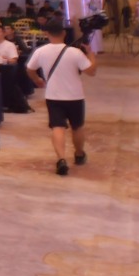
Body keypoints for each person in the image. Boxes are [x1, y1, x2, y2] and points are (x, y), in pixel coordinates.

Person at [26, 21, 97, 176]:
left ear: (46, 34)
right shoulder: (75, 52)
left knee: (57, 127)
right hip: (75, 96)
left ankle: (61, 159)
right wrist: (90, 54)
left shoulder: (40, 51)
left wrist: (37, 80)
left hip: (53, 96)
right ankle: (79, 154)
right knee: (77, 126)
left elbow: (30, 69)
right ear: (64, 33)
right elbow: (91, 71)